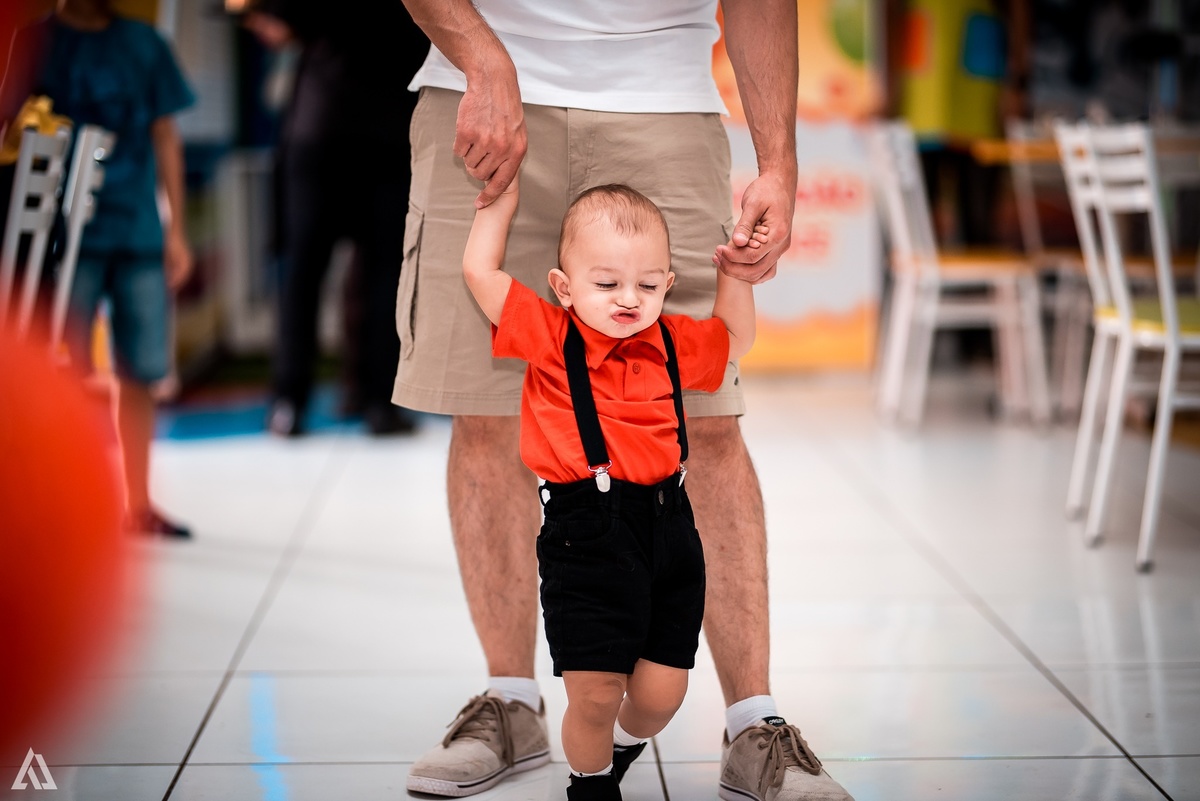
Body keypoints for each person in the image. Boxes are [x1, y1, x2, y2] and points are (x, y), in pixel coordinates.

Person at [395, 2, 855, 799]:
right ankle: (510, 701)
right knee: (486, 412)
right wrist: (482, 55)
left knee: (707, 424)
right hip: (480, 83)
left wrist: (777, 162)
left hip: (665, 100)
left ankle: (754, 722)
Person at [458, 180, 759, 800]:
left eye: (648, 285)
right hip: (584, 535)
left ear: (668, 285)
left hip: (670, 530)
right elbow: (479, 272)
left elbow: (736, 338)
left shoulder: (672, 343)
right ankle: (590, 784)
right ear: (563, 287)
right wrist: (498, 207)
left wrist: (736, 270)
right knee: (594, 693)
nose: (629, 299)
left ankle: (618, 750)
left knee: (659, 697)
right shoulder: (548, 335)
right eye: (607, 284)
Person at [0, 0, 194, 538]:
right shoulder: (31, 40)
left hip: (135, 229)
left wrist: (175, 229)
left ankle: (138, 504)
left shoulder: (144, 45)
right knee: (53, 372)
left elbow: (166, 137)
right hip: (55, 238)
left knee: (141, 371)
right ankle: (56, 507)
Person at [242, 0, 427, 437]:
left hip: (323, 127)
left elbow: (273, 23)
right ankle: (380, 403)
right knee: (384, 277)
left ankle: (289, 402)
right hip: (388, 130)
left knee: (302, 274)